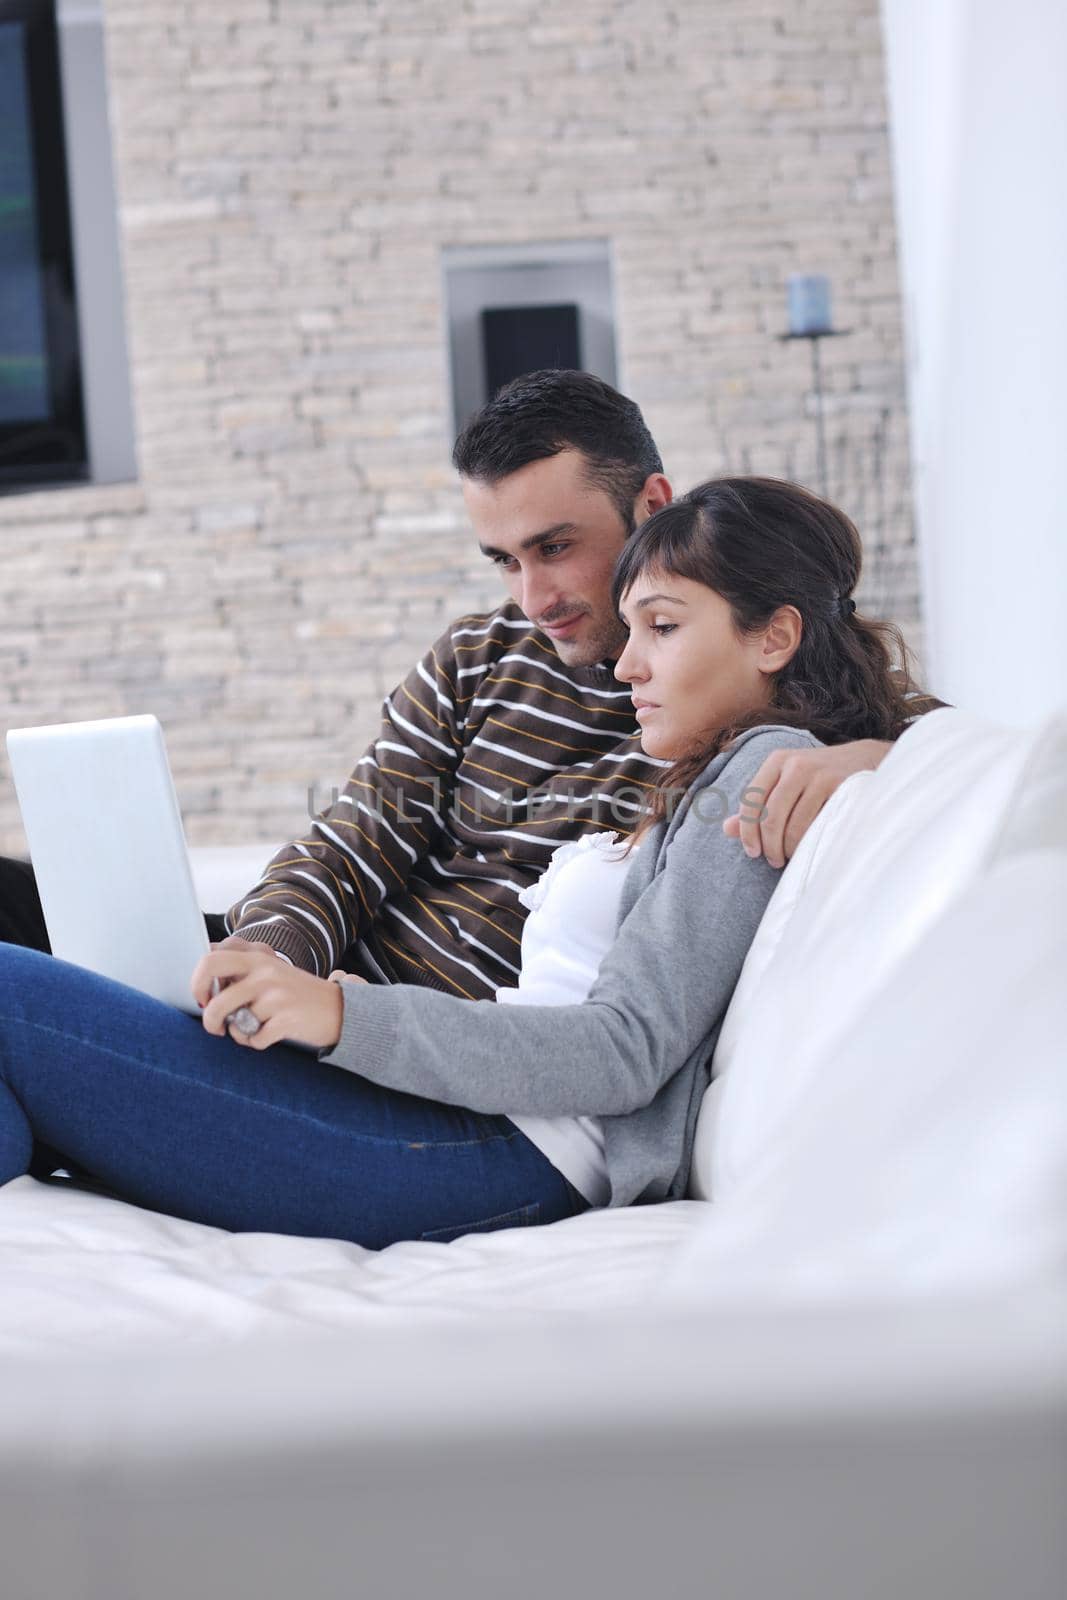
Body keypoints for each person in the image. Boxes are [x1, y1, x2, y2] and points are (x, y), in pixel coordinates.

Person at [0, 476, 927, 1246]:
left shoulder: (762, 776)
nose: (624, 665)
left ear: (775, 635)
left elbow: (623, 1051)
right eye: (631, 629)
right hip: (434, 1106)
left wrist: (340, 1015)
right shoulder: (712, 766)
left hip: (484, 1153)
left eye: (662, 627)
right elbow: (355, 836)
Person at [0, 371, 907, 992]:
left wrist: (870, 760)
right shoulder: (481, 655)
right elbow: (354, 843)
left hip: (391, 1038)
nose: (534, 597)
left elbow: (977, 759)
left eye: (555, 547)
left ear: (651, 507)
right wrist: (264, 953)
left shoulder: (752, 693)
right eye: (503, 560)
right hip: (292, 983)